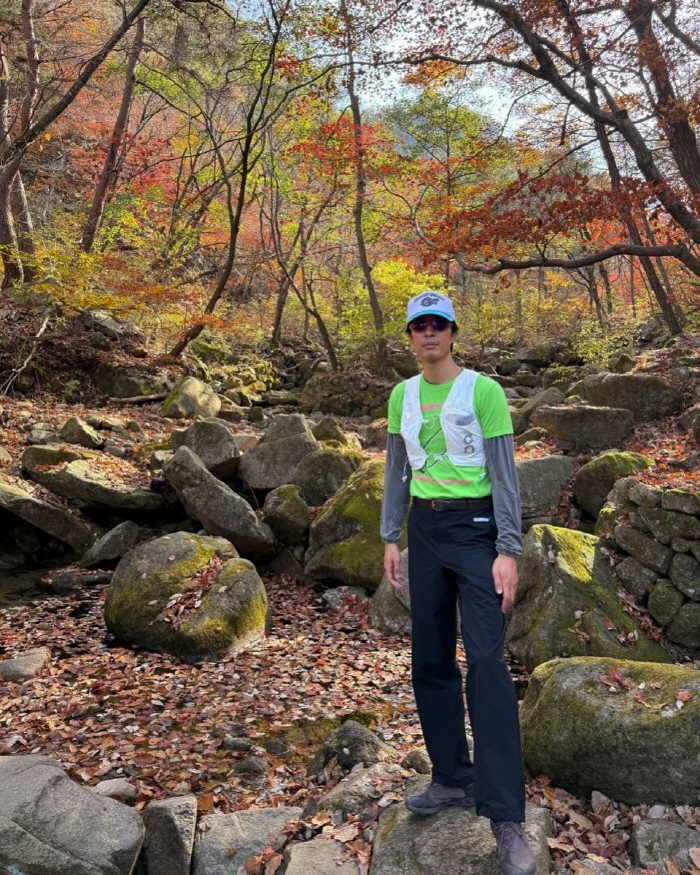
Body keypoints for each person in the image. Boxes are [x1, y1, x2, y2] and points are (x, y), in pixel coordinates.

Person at [380, 290, 536, 875]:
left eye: (437, 326)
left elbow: (504, 474)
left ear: (452, 333)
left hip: (475, 532)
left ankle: (504, 817)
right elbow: (396, 467)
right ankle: (451, 776)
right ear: (411, 337)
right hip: (425, 530)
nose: (428, 335)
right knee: (431, 659)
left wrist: (507, 548)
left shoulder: (484, 391)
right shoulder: (402, 395)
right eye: (419, 327)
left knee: (489, 663)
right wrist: (390, 535)